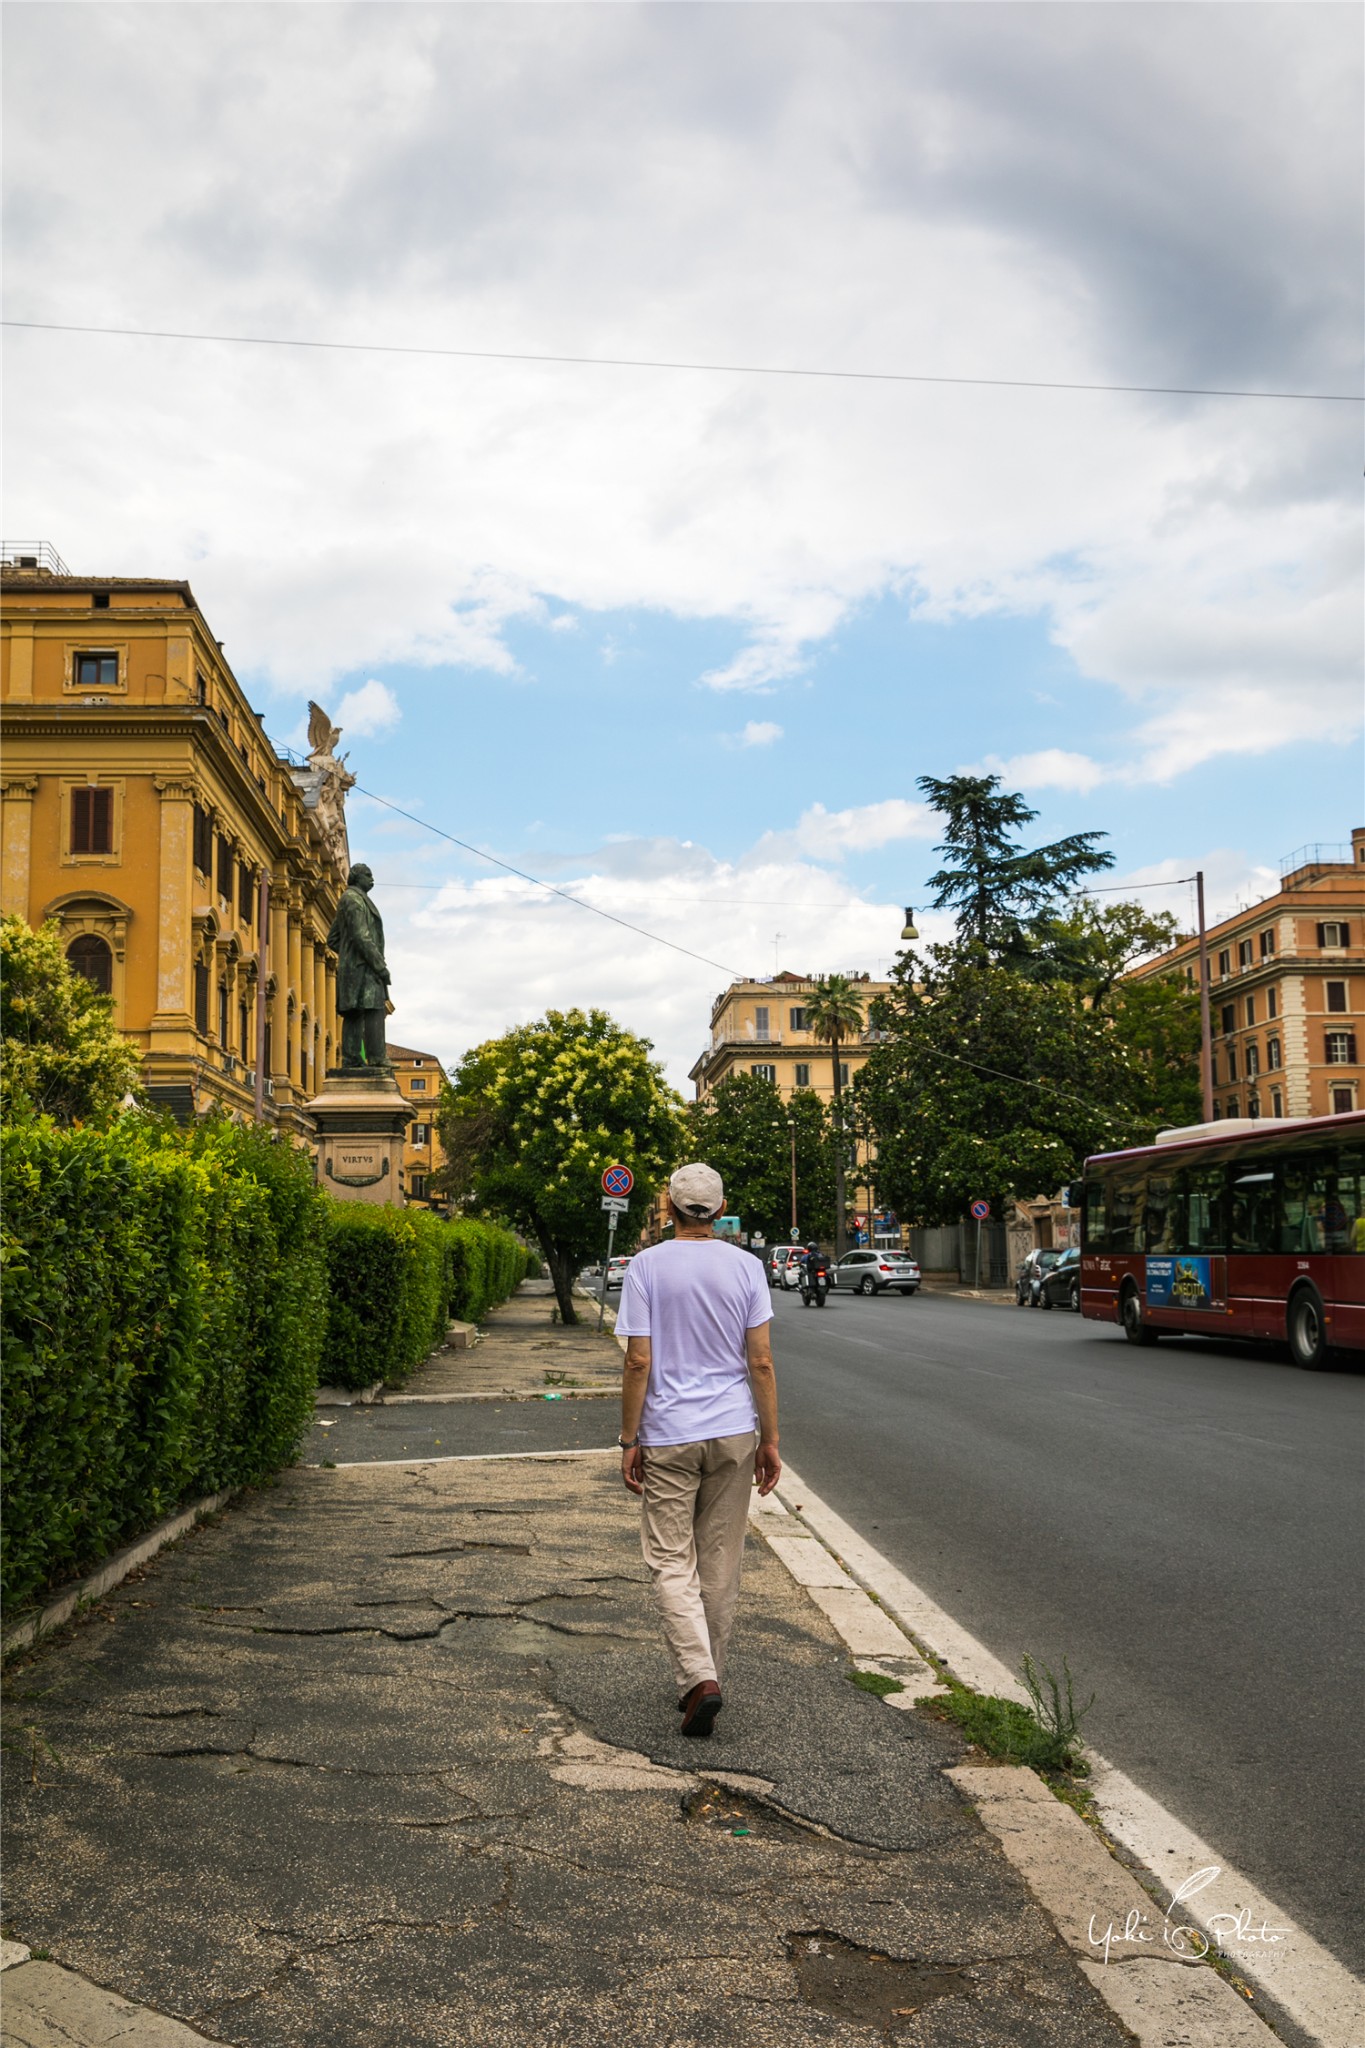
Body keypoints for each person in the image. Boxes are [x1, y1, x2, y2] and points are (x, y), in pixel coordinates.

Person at [615, 1162, 781, 1739]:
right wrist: (772, 1440)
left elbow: (639, 1360)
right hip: (735, 1430)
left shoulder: (646, 1265)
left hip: (669, 1432)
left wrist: (628, 1438)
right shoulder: (748, 1267)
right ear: (719, 1207)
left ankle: (698, 1677)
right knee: (719, 1557)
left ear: (669, 1206)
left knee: (669, 1557)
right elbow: (760, 1359)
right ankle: (705, 1676)